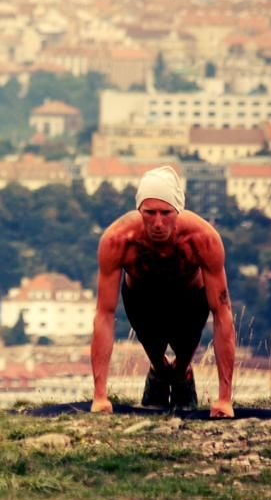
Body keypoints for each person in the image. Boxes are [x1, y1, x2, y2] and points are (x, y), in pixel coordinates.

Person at [90, 166, 235, 418]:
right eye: (150, 213)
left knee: (185, 350)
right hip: (142, 300)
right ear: (139, 211)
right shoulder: (117, 240)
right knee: (155, 351)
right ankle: (159, 371)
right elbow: (104, 314)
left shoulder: (203, 239)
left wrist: (225, 399)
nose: (158, 222)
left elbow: (222, 313)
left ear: (178, 210)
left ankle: (181, 373)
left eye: (166, 213)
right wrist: (100, 397)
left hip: (190, 299)